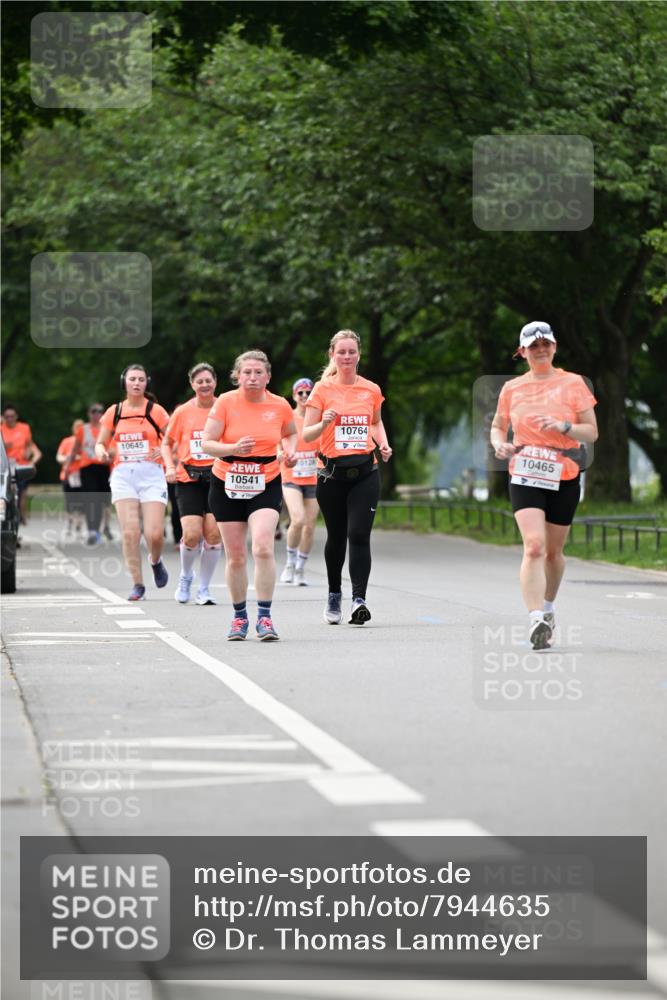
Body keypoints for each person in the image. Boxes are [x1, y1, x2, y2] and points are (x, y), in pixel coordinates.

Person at [490, 321, 598, 650]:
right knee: (534, 546)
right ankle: (535, 616)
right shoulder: (511, 388)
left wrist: (564, 426)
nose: (540, 350)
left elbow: (591, 432)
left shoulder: (573, 383)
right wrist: (499, 444)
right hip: (525, 472)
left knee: (553, 553)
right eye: (533, 346)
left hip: (564, 472)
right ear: (522, 352)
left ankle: (548, 608)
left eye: (545, 344)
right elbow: (498, 426)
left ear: (554, 347)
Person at [203, 350, 296, 641]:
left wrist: (289, 450)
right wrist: (232, 449)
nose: (252, 378)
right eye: (247, 373)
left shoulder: (280, 405)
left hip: (265, 481)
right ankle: (239, 617)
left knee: (264, 547)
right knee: (236, 557)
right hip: (226, 482)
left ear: (268, 376)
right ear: (237, 376)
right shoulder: (226, 403)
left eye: (258, 373)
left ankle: (265, 618)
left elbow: (290, 433)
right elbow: (207, 443)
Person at [303, 329, 392, 626]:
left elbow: (376, 423)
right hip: (331, 475)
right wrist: (325, 422)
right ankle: (333, 593)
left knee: (359, 534)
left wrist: (384, 444)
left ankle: (359, 600)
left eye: (351, 352)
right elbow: (306, 434)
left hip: (365, 473)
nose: (347, 357)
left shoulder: (371, 389)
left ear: (358, 355)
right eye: (341, 352)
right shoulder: (321, 390)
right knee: (337, 536)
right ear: (332, 355)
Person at [94, 365, 170, 601]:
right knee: (130, 532)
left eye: (140, 379)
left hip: (151, 473)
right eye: (131, 379)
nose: (136, 383)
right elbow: (100, 443)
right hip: (123, 474)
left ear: (146, 382)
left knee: (154, 534)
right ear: (124, 383)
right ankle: (138, 584)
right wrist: (101, 453)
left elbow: (173, 440)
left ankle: (155, 560)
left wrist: (163, 451)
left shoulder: (156, 411)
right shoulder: (114, 412)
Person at [162, 362, 222, 606]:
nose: (205, 385)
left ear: (215, 382)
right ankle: (186, 577)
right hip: (188, 477)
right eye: (200, 381)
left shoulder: (225, 406)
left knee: (213, 534)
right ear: (192, 384)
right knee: (192, 533)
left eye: (208, 380)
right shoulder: (183, 412)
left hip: (218, 476)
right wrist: (168, 467)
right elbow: (166, 443)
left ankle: (204, 589)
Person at [278, 377, 320, 586]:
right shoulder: (288, 417)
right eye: (300, 392)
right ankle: (289, 563)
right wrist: (279, 454)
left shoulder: (317, 418)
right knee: (298, 519)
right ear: (294, 395)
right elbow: (276, 440)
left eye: (307, 392)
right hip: (291, 475)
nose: (304, 396)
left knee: (310, 525)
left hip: (313, 476)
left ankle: (301, 568)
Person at [66, 402, 113, 545]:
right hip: (87, 468)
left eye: (99, 411)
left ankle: (98, 529)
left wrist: (110, 458)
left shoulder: (108, 429)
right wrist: (68, 467)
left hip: (103, 468)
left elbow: (113, 449)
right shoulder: (82, 429)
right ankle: (92, 530)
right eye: (93, 411)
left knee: (101, 501)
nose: (96, 414)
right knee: (90, 499)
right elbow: (75, 449)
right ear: (89, 413)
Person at [1, 404, 42, 525]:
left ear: (16, 416)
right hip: (4, 466)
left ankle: (20, 517)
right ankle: (8, 518)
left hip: (20, 466)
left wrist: (30, 456)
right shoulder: (1, 428)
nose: (9, 419)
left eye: (12, 416)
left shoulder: (24, 428)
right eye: (7, 416)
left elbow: (30, 445)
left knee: (21, 493)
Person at [56, 418, 85, 538]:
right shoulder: (67, 441)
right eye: (76, 427)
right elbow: (59, 457)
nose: (78, 430)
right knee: (69, 501)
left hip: (83, 475)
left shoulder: (86, 443)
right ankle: (68, 523)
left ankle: (79, 524)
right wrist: (68, 458)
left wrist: (78, 458)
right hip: (68, 475)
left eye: (81, 427)